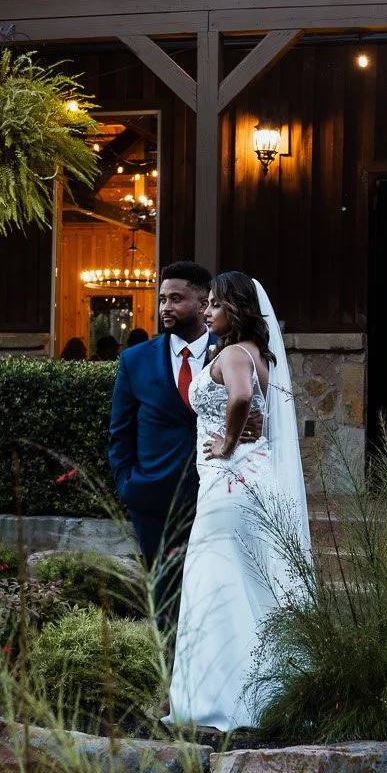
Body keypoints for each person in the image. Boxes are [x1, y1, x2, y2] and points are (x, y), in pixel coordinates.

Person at [167, 270, 310, 731]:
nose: (207, 312)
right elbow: (260, 411)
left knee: (215, 582)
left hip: (228, 482)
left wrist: (227, 442)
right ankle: (269, 693)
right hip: (253, 481)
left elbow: (242, 397)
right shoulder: (258, 356)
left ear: (238, 309)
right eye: (205, 304)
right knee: (254, 586)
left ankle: (217, 701)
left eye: (214, 304)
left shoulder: (231, 354)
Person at [108, 261, 216, 634]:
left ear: (204, 304)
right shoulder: (135, 360)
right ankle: (167, 676)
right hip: (153, 498)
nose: (165, 307)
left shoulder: (232, 352)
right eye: (162, 299)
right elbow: (119, 432)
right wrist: (128, 484)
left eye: (176, 298)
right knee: (164, 594)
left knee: (211, 589)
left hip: (214, 495)